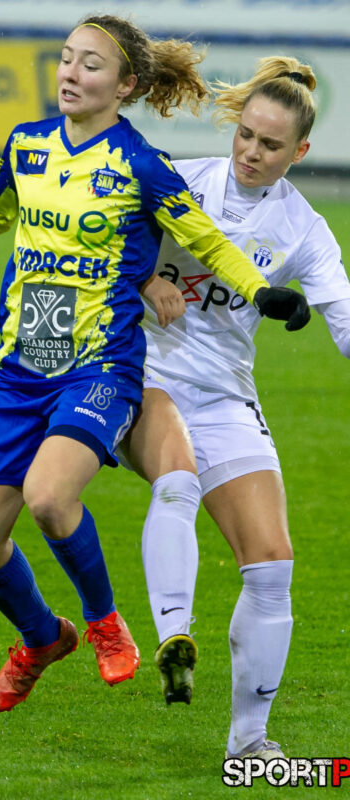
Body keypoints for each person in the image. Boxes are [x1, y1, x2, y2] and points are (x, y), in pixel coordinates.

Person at [0, 16, 308, 713]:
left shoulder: (141, 164)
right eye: (65, 59)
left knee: (50, 497)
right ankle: (42, 637)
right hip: (22, 366)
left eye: (90, 66)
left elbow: (206, 242)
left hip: (101, 369)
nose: (69, 73)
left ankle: (104, 623)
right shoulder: (28, 144)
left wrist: (260, 291)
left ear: (124, 86)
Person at [121, 55, 349, 759]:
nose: (251, 152)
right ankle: (174, 635)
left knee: (272, 564)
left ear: (300, 152)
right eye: (245, 135)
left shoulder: (304, 231)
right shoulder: (182, 183)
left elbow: (343, 320)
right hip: (142, 376)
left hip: (224, 394)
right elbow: (92, 242)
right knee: (178, 479)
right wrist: (144, 280)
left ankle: (249, 744)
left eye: (270, 145)